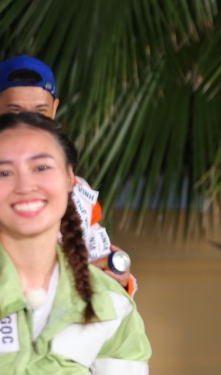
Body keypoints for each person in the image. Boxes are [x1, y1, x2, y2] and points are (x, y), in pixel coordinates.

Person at [0, 112, 151, 375]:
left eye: (41, 167)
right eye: (4, 172)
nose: (25, 185)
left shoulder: (111, 308)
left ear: (71, 179)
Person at [0, 55, 135, 295]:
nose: (29, 124)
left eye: (40, 113)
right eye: (15, 113)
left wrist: (116, 280)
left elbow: (100, 264)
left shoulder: (81, 194)